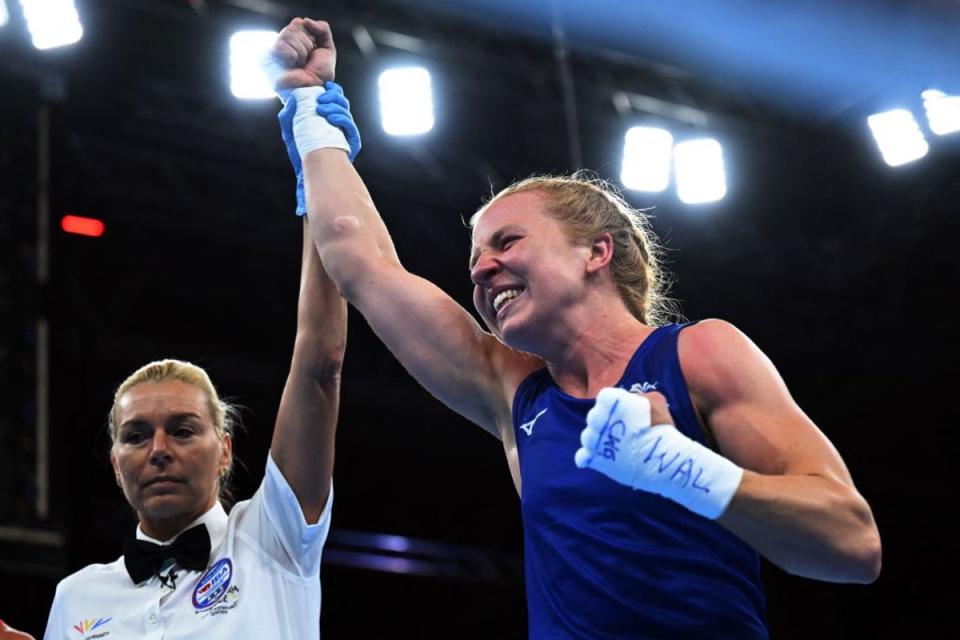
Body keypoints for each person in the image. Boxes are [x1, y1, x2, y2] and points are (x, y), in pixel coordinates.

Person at [269, 19, 882, 639]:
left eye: (507, 242)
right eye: (475, 259)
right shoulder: (512, 392)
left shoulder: (697, 353)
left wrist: (681, 468)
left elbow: (852, 545)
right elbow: (359, 262)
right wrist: (309, 108)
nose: (482, 269)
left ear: (596, 252)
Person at [42, 214, 348, 639]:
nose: (159, 449)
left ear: (224, 448)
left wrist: (318, 184)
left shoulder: (273, 538)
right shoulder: (75, 598)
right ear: (115, 463)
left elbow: (319, 367)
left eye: (183, 430)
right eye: (136, 435)